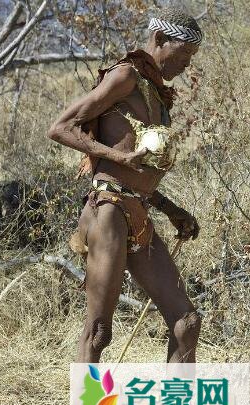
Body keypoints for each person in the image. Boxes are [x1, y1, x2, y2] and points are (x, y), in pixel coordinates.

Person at [48, 8, 202, 363]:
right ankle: (87, 402)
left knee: (186, 323)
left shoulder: (155, 92)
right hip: (108, 210)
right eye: (183, 54)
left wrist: (171, 209)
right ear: (159, 40)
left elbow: (135, 171)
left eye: (191, 57)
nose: (186, 65)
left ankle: (179, 402)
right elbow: (59, 128)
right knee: (99, 331)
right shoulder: (125, 75)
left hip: (137, 212)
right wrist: (116, 156)